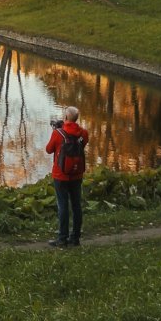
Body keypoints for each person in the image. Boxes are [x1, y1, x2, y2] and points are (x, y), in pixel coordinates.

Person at [45, 106, 89, 247]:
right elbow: (81, 142)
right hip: (77, 175)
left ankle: (62, 238)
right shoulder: (84, 133)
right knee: (76, 206)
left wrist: (55, 131)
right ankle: (75, 238)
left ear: (65, 118)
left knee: (63, 206)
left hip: (61, 175)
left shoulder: (58, 134)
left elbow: (48, 149)